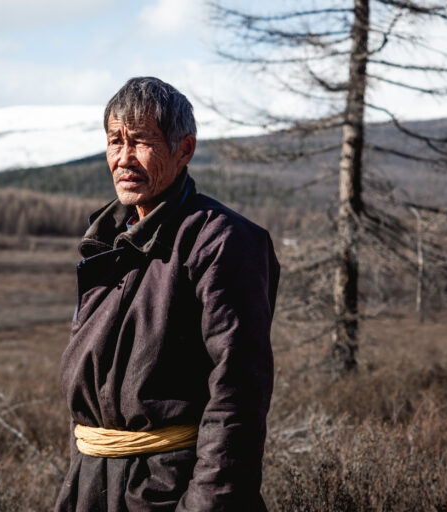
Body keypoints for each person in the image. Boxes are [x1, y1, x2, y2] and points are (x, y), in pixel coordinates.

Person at [55, 76, 280, 511]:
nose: (123, 158)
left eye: (140, 141)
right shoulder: (106, 242)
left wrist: (204, 505)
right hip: (89, 489)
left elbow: (237, 396)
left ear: (185, 150)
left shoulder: (222, 240)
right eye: (114, 141)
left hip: (166, 490)